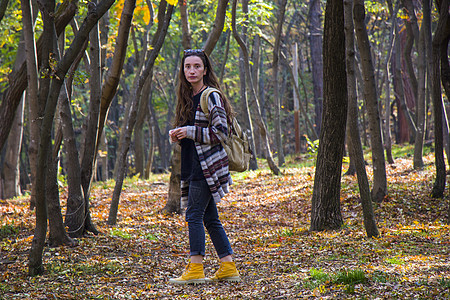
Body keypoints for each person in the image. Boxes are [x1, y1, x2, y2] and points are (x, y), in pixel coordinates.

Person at [168, 49, 240, 285]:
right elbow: (197, 132)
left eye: (197, 66)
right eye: (187, 66)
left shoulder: (211, 96)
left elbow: (221, 133)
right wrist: (179, 135)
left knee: (194, 215)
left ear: (205, 70)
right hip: (194, 163)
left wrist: (189, 131)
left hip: (206, 167)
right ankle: (228, 266)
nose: (191, 71)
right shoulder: (189, 96)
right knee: (210, 218)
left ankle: (196, 268)